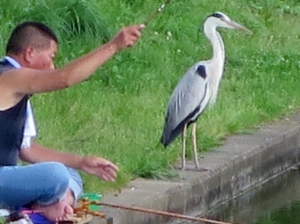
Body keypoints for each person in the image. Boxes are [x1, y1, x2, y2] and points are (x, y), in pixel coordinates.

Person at [0, 21, 144, 222]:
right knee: (56, 175)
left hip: (6, 177)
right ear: (30, 53)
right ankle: (38, 211)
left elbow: (28, 150)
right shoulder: (8, 77)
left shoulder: (16, 89)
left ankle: (38, 211)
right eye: (51, 57)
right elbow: (64, 78)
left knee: (71, 175)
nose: (52, 66)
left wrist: (82, 162)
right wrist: (113, 46)